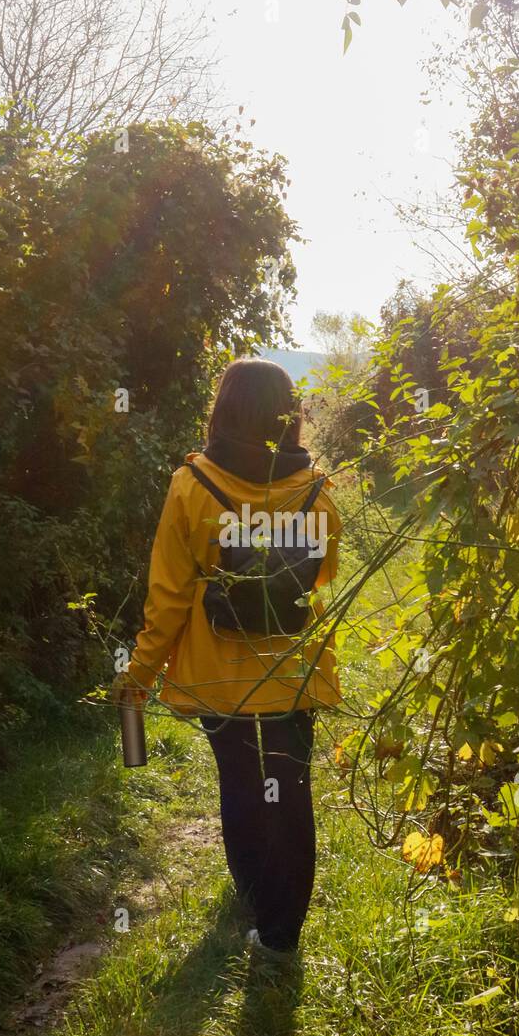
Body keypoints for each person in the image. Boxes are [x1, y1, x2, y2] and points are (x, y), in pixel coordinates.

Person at [114, 358, 342, 956]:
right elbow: (322, 580)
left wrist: (138, 674)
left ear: (222, 412)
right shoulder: (317, 491)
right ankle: (280, 936)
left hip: (220, 675)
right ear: (289, 417)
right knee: (288, 791)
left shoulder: (192, 486)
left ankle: (253, 897)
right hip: (291, 670)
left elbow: (166, 596)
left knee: (241, 785)